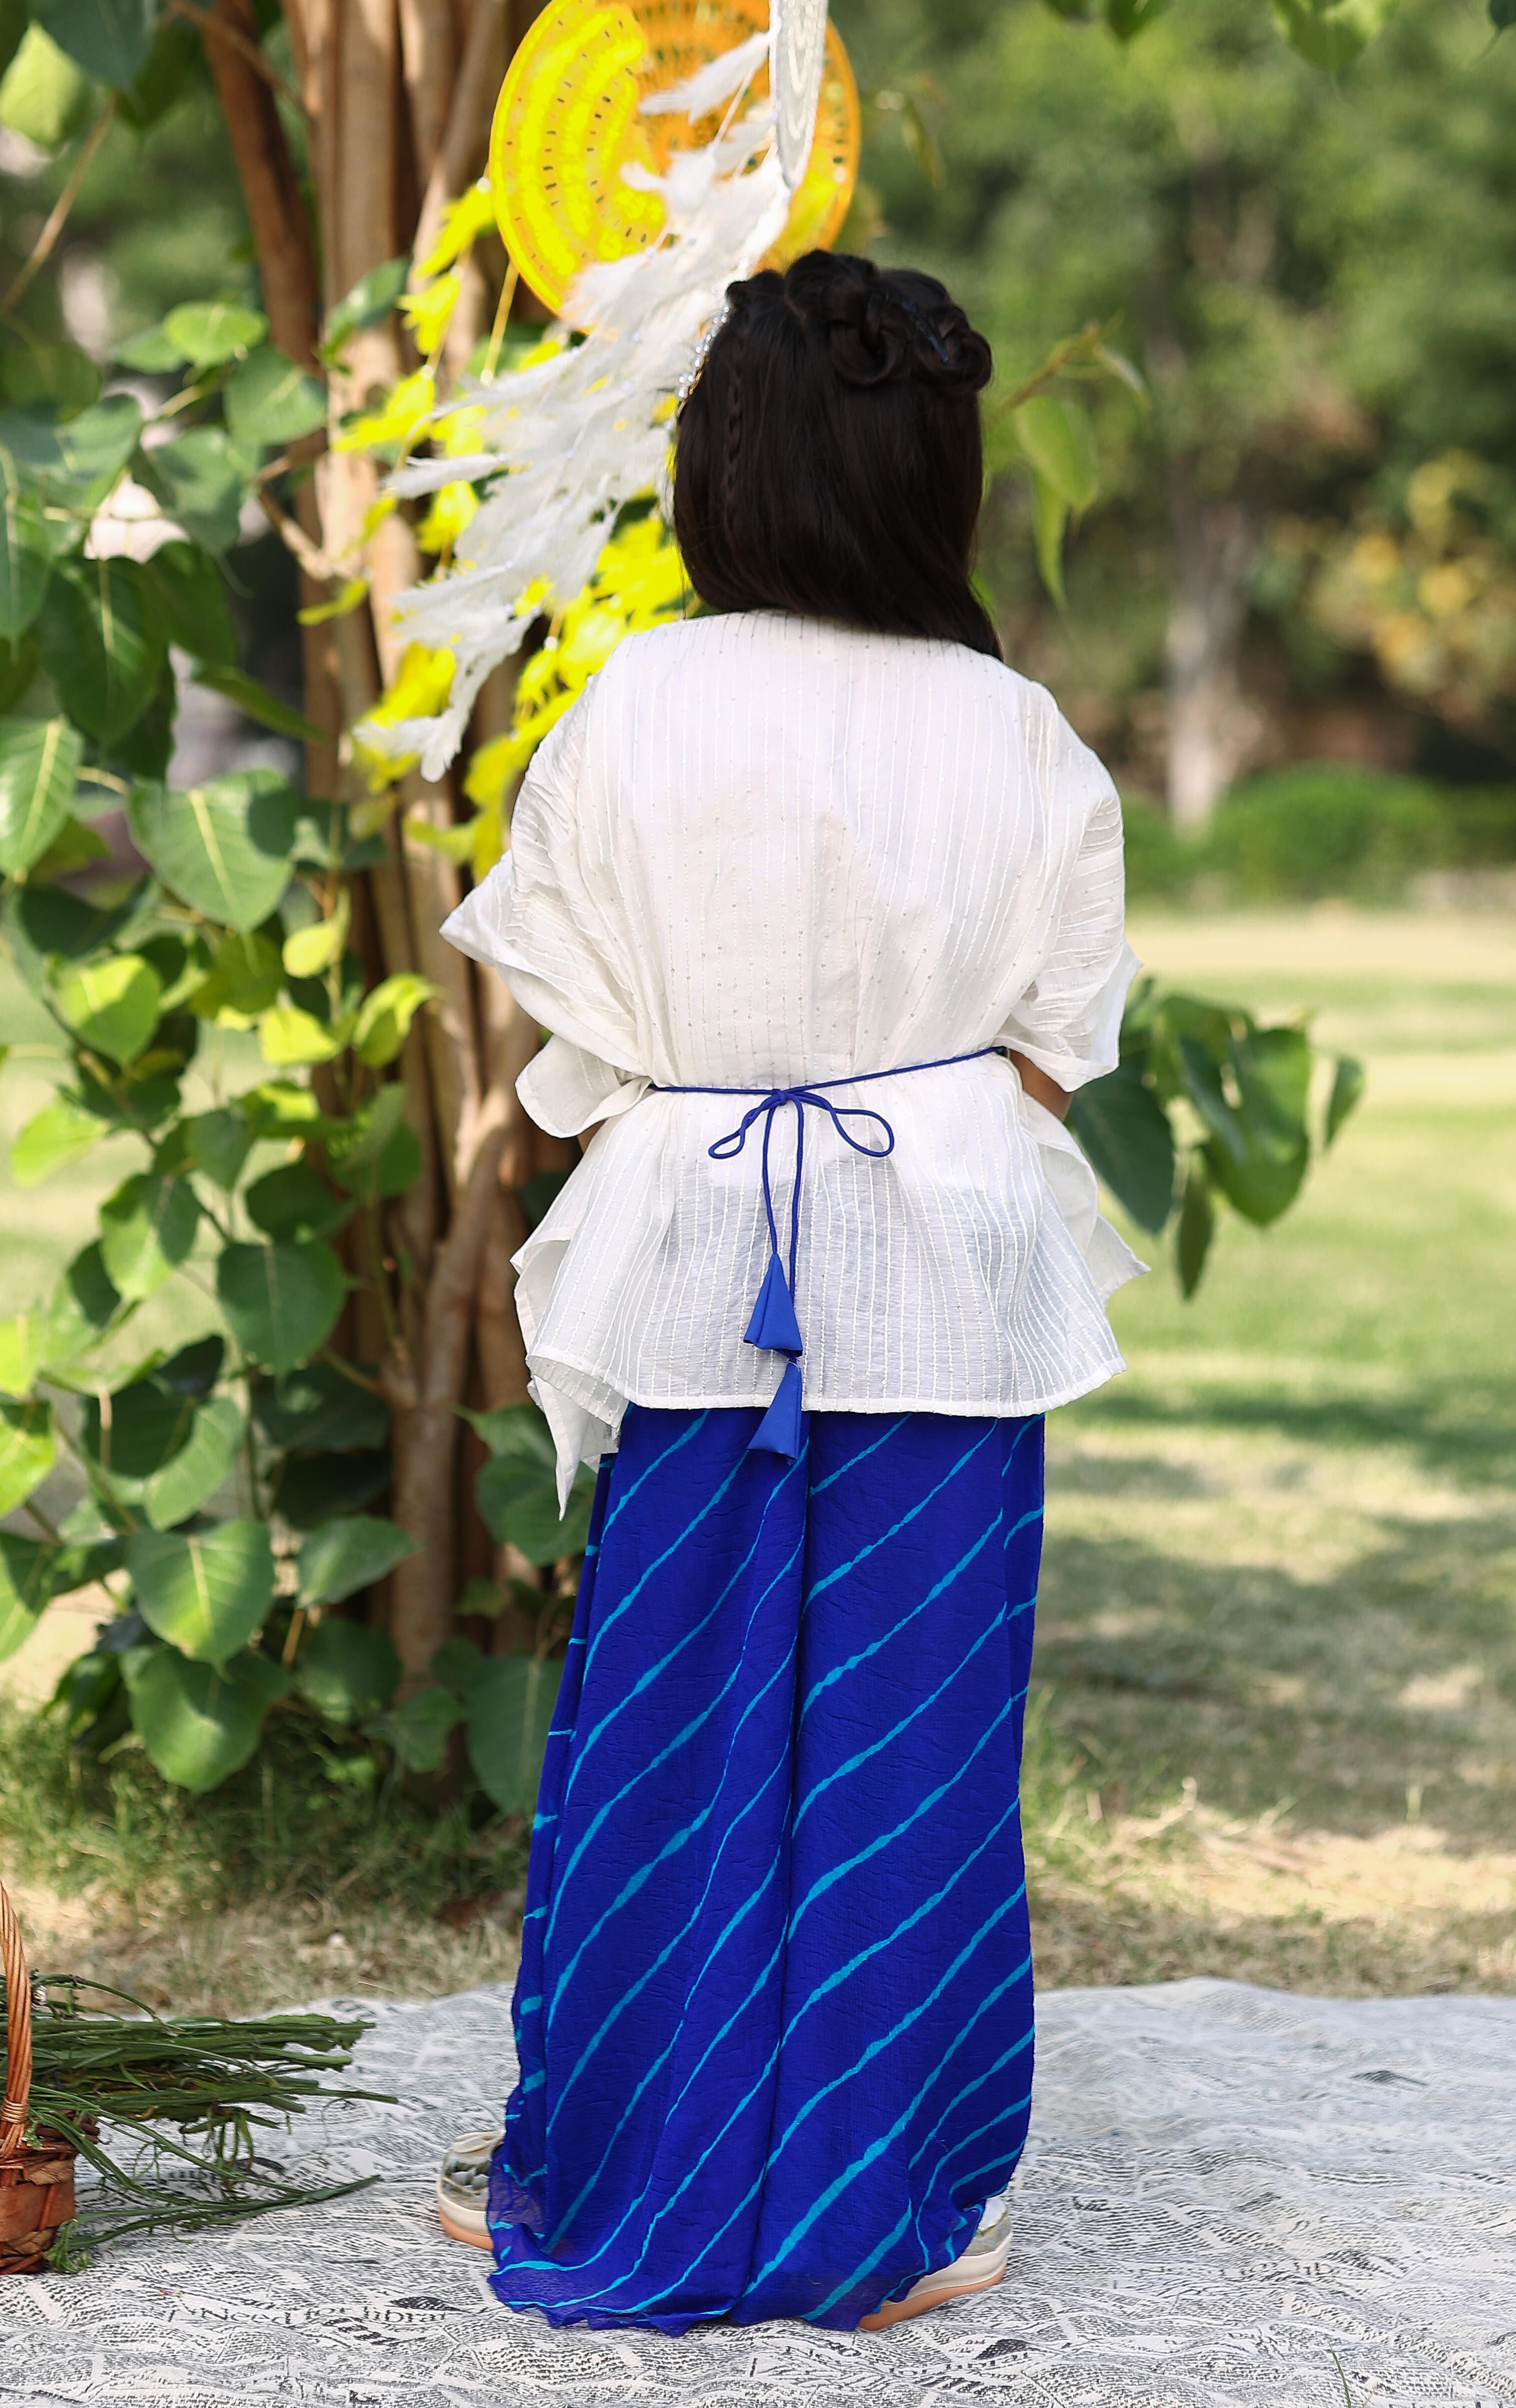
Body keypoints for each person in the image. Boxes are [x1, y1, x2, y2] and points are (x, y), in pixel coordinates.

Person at [433, 249, 1143, 2335]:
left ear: (718, 472)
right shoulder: (1021, 737)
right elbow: (1045, 1049)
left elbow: (570, 1049)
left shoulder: (636, 705)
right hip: (944, 1282)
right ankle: (889, 2206)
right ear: (941, 478)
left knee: (661, 1721)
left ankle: (603, 2156)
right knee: (914, 1749)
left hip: (690, 1273)